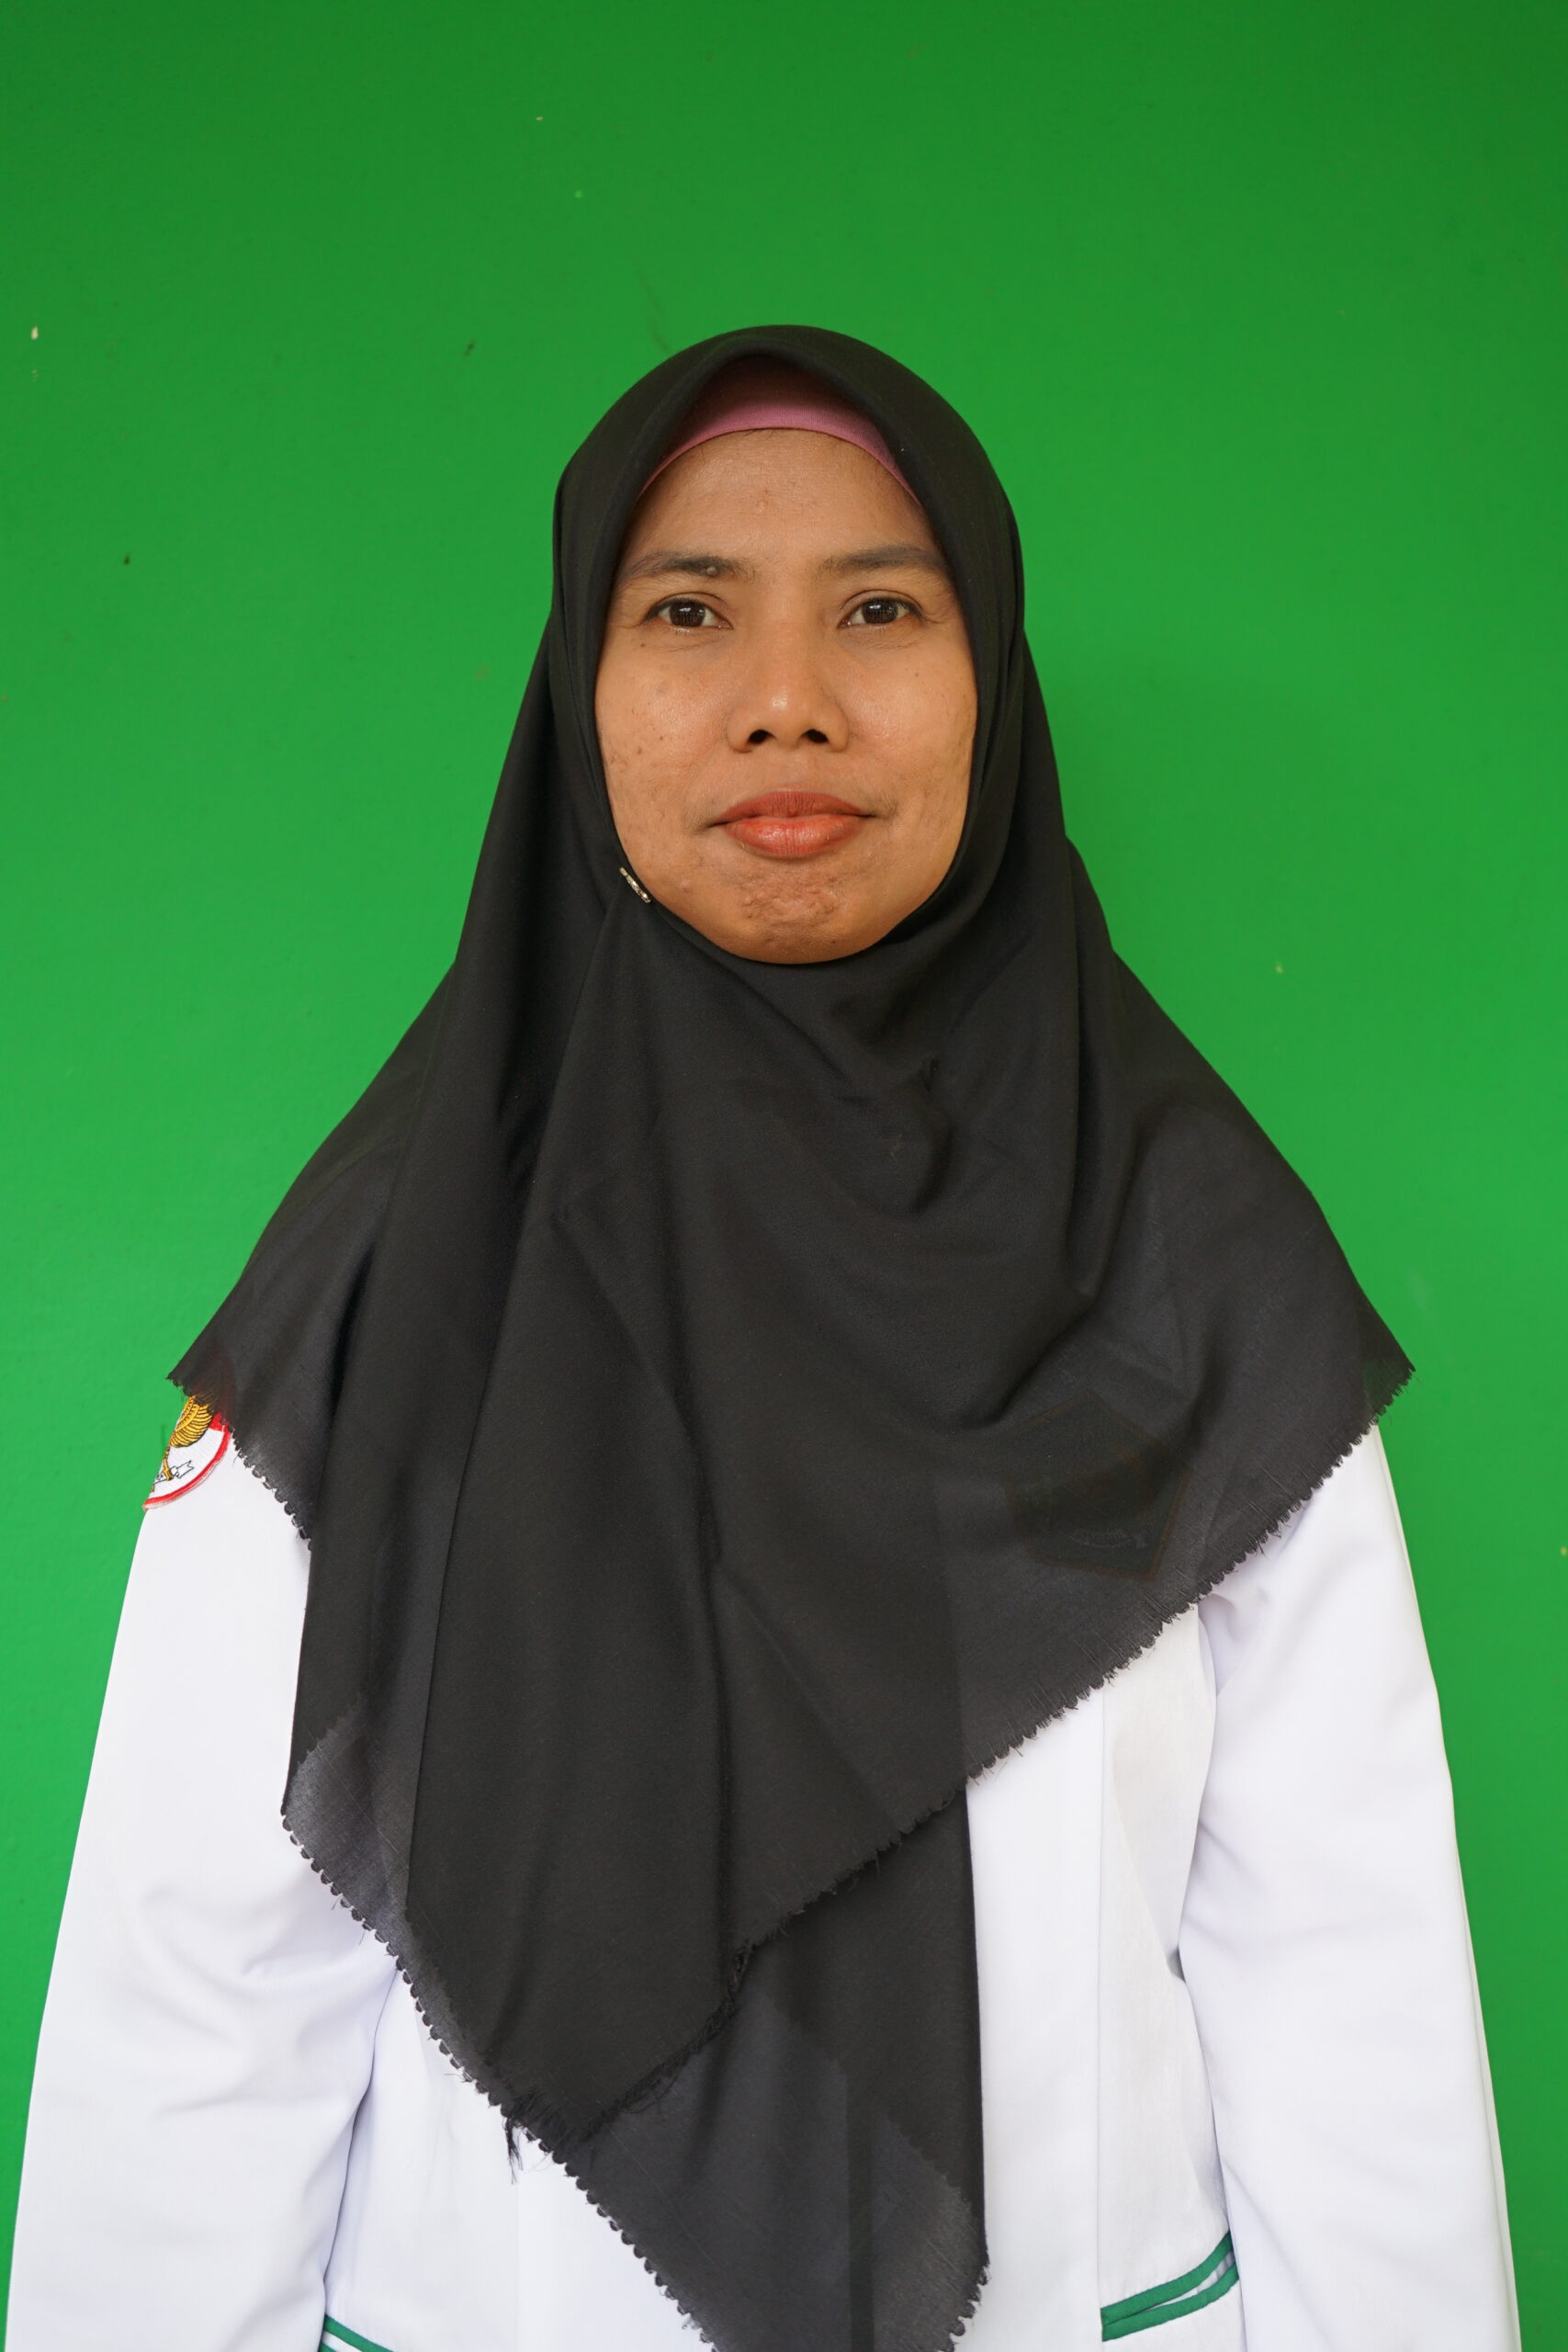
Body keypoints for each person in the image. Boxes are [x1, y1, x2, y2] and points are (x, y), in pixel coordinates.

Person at [8, 331, 1518, 2352]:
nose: (787, 696)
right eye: (688, 611)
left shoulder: (1182, 1255)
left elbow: (1345, 1969)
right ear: (579, 688)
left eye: (880, 611)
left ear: (990, 680)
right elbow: (196, 2003)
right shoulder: (391, 1273)